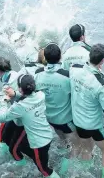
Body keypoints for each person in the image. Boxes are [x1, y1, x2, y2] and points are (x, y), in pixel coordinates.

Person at [69, 44, 104, 178]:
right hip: (95, 125)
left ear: (89, 55)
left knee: (87, 148)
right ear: (102, 61)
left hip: (78, 122)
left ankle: (84, 173)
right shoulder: (101, 84)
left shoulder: (74, 69)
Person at [34, 43, 79, 175]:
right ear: (60, 57)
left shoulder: (38, 74)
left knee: (63, 139)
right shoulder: (67, 75)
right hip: (65, 120)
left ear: (45, 59)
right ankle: (64, 172)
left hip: (49, 118)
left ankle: (61, 152)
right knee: (77, 146)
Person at [5, 74, 60, 178]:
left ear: (20, 89)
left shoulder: (20, 106)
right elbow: (27, 98)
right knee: (39, 159)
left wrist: (4, 100)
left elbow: (3, 116)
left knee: (44, 170)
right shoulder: (40, 95)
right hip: (48, 136)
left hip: (39, 144)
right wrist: (16, 94)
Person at [0, 56, 26, 165]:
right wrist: (0, 94)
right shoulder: (15, 74)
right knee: (6, 137)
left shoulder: (7, 84)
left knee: (14, 149)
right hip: (19, 111)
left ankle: (21, 167)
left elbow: (3, 110)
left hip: (21, 117)